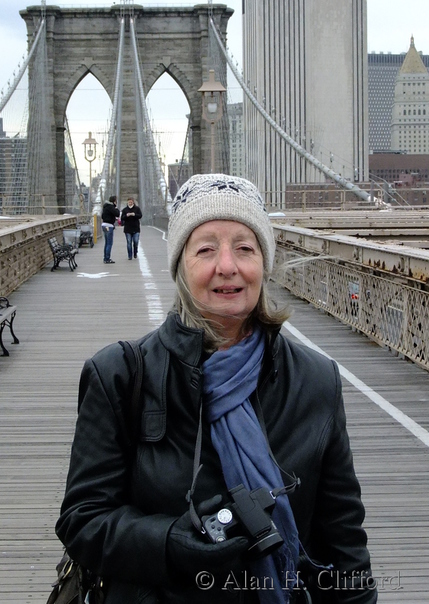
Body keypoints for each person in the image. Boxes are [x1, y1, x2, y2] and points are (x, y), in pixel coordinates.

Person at [56, 173, 377, 604]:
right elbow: (82, 521)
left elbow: (345, 545)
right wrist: (170, 543)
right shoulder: (119, 376)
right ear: (180, 266)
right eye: (206, 249)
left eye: (245, 248)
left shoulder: (316, 381)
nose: (227, 266)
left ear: (263, 262)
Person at [101, 195, 119, 264]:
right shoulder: (111, 207)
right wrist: (116, 207)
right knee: (109, 243)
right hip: (109, 226)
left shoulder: (105, 207)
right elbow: (117, 214)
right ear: (114, 201)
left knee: (106, 243)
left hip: (104, 225)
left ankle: (105, 258)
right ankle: (107, 258)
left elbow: (102, 216)